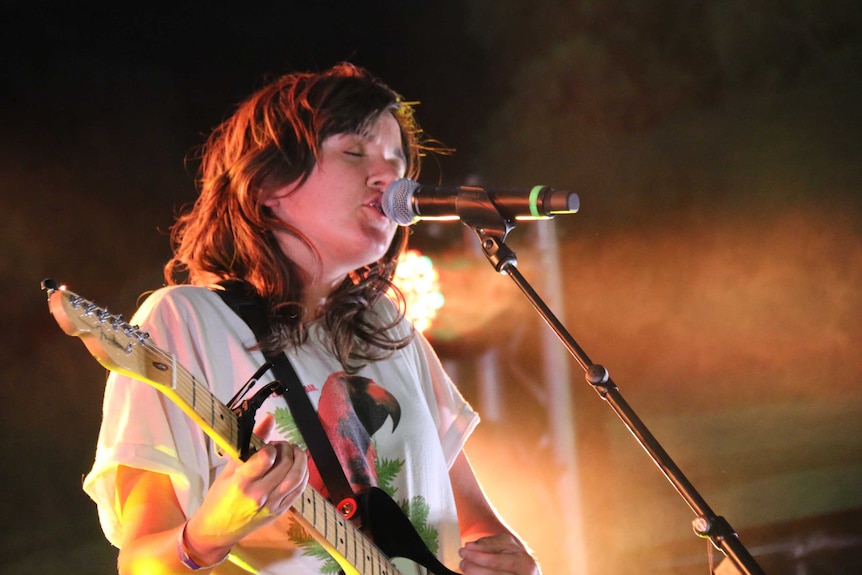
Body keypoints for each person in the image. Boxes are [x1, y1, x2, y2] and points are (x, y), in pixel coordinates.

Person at [83, 63, 541, 575]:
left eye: (397, 160)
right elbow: (139, 563)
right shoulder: (183, 322)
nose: (389, 176)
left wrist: (518, 566)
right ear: (267, 185)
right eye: (354, 152)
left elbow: (479, 528)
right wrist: (210, 534)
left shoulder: (390, 331)